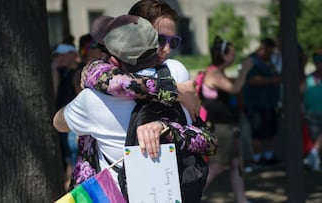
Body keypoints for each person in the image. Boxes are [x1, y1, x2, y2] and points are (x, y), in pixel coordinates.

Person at [53, 14, 217, 194]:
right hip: (175, 190)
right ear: (156, 46)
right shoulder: (177, 73)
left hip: (118, 195)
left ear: (113, 59)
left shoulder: (92, 100)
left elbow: (58, 123)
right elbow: (207, 139)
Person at [199, 36, 252, 203]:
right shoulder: (214, 74)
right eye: (231, 54)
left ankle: (241, 199)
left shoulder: (216, 72)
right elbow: (235, 89)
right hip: (221, 128)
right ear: (223, 55)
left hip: (228, 126)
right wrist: (244, 70)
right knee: (217, 166)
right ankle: (192, 195)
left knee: (236, 164)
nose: (234, 57)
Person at [242, 38, 280, 168]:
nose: (270, 54)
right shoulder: (252, 61)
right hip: (255, 104)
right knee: (257, 132)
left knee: (269, 131)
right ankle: (258, 158)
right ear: (263, 48)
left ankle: (268, 156)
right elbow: (251, 80)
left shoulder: (269, 61)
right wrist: (271, 81)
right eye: (269, 51)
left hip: (269, 104)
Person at [51, 43, 80, 190]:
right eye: (57, 56)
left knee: (75, 156)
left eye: (62, 55)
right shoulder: (60, 73)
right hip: (63, 121)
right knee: (69, 158)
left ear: (72, 55)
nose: (59, 59)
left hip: (74, 123)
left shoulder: (79, 73)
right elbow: (54, 95)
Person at [301, 48, 322, 172]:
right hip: (312, 113)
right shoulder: (307, 79)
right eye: (317, 60)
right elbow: (299, 95)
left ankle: (313, 155)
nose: (320, 63)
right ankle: (315, 158)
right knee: (315, 138)